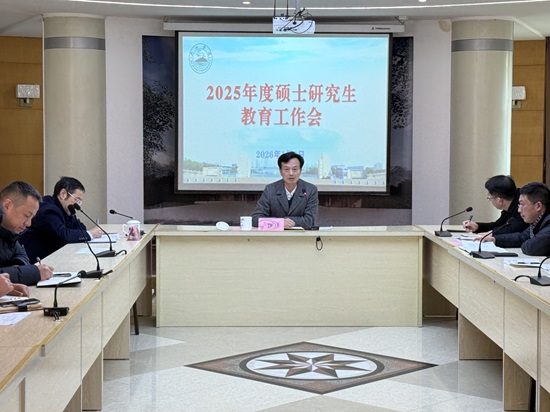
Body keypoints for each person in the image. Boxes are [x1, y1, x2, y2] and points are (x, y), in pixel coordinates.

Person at [20, 176, 102, 262]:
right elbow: (64, 236)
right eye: (77, 199)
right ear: (63, 194)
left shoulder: (65, 209)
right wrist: (90, 234)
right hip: (38, 262)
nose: (77, 204)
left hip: (53, 258)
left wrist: (81, 233)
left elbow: (81, 228)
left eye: (79, 201)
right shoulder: (48, 210)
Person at [0, 181, 54, 285]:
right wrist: (34, 273)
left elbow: (22, 257)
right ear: (7, 205)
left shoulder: (10, 232)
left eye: (31, 218)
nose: (28, 223)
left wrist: (17, 271)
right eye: (27, 215)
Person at [252, 151, 319, 229]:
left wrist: (287, 222)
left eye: (295, 169)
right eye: (286, 169)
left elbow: (310, 221)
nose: (291, 173)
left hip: (301, 235)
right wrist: (280, 222)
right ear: (280, 171)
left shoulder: (310, 190)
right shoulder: (270, 190)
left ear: (300, 171)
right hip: (275, 236)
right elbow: (256, 219)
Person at [482, 182, 550, 256]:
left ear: (538, 206)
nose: (519, 210)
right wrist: (495, 240)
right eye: (519, 205)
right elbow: (521, 237)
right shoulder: (538, 220)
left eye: (522, 204)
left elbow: (532, 248)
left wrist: (525, 243)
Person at [463, 175, 528, 235]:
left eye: (489, 198)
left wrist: (492, 234)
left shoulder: (522, 208)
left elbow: (513, 230)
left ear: (500, 200)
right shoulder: (512, 203)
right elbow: (499, 225)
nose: (490, 200)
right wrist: (477, 226)